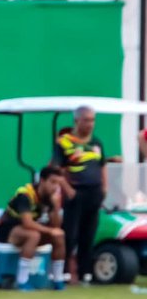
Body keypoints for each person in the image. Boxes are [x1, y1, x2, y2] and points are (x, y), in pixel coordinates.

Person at [52, 106, 106, 283]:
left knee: (89, 233)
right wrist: (67, 189)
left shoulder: (96, 142)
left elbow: (102, 165)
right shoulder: (64, 143)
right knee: (71, 233)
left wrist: (104, 187)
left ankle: (85, 272)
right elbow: (56, 170)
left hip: (94, 193)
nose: (90, 124)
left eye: (93, 120)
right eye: (87, 120)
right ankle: (65, 271)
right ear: (76, 121)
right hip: (75, 192)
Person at [0, 165, 67, 290]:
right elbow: (27, 223)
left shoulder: (49, 198)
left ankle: (58, 280)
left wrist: (56, 207)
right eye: (53, 182)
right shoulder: (25, 195)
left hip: (27, 230)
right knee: (33, 235)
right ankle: (22, 281)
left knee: (59, 236)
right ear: (42, 181)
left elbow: (56, 226)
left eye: (58, 184)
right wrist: (50, 230)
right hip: (8, 230)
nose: (55, 187)